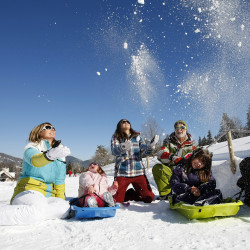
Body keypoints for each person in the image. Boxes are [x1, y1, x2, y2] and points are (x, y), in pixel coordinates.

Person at [0, 122, 71, 225]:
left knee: (64, 209)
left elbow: (59, 180)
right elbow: (35, 161)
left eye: (54, 128)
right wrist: (49, 155)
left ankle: (37, 212)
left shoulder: (59, 153)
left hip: (48, 196)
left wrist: (60, 200)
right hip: (29, 191)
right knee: (37, 210)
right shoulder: (32, 147)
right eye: (48, 127)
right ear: (39, 132)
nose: (52, 129)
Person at [111, 119, 159, 203]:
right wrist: (122, 147)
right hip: (122, 173)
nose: (126, 123)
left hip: (138, 172)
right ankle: (123, 195)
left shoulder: (137, 137)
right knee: (116, 201)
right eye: (123, 122)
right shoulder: (116, 137)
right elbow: (114, 151)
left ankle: (131, 194)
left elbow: (144, 151)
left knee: (149, 198)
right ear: (119, 126)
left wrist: (151, 146)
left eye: (128, 122)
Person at [152, 120, 196, 200]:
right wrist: (173, 157)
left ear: (186, 130)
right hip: (172, 172)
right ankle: (166, 195)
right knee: (158, 168)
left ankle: (192, 192)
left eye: (182, 127)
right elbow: (160, 154)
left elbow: (199, 156)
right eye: (177, 128)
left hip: (187, 173)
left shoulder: (192, 143)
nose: (179, 129)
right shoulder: (168, 142)